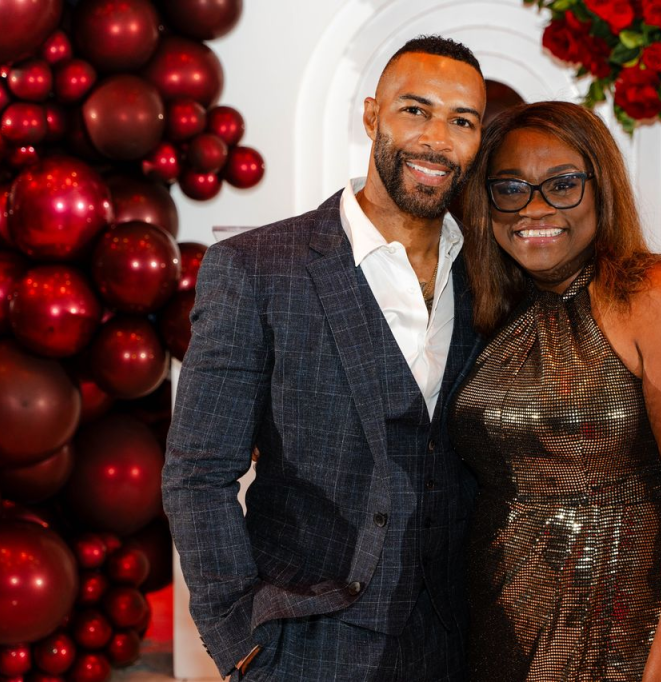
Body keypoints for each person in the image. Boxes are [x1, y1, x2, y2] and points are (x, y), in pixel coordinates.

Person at [163, 36, 486, 681]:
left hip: (461, 648)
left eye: (462, 121)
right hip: (306, 647)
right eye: (415, 110)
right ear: (371, 115)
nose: (436, 139)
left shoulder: (491, 275)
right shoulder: (257, 269)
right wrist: (239, 640)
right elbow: (198, 473)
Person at [451, 101, 661, 681]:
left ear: (601, 188)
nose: (534, 208)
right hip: (497, 639)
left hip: (624, 647)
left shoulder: (656, 296)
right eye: (509, 188)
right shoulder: (494, 314)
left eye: (562, 185)